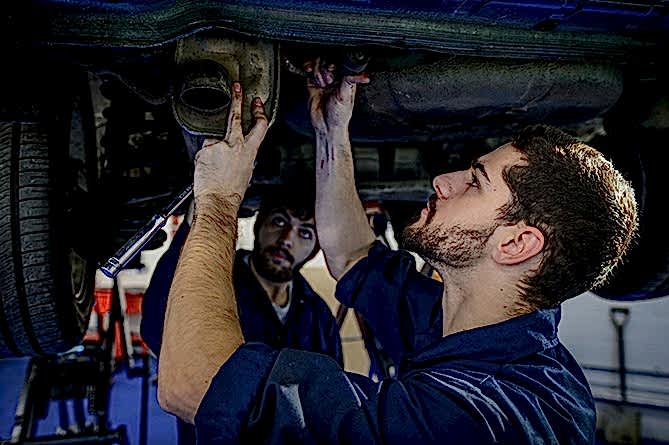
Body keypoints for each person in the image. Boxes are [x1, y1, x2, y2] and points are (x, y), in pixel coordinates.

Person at [157, 75, 638, 444]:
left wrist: (219, 201)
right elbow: (353, 257)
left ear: (516, 245)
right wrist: (332, 132)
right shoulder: (482, 332)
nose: (443, 181)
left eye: (474, 182)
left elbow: (192, 385)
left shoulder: (464, 420)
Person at [141, 181, 342, 444]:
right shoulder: (213, 280)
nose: (287, 240)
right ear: (259, 225)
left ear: (314, 250)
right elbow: (158, 327)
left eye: (305, 234)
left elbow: (332, 393)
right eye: (279, 222)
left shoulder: (317, 314)